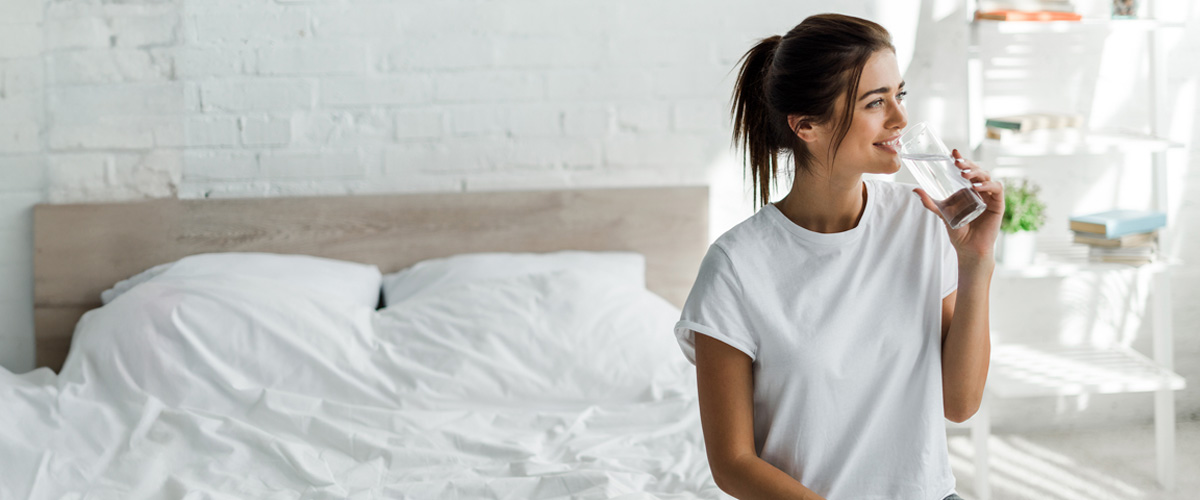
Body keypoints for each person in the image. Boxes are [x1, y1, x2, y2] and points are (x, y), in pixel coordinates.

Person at [673, 13, 1003, 500]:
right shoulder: (736, 266)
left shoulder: (921, 221)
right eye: (875, 102)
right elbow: (732, 464)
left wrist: (976, 262)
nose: (900, 119)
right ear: (806, 125)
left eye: (900, 94)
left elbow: (960, 404)